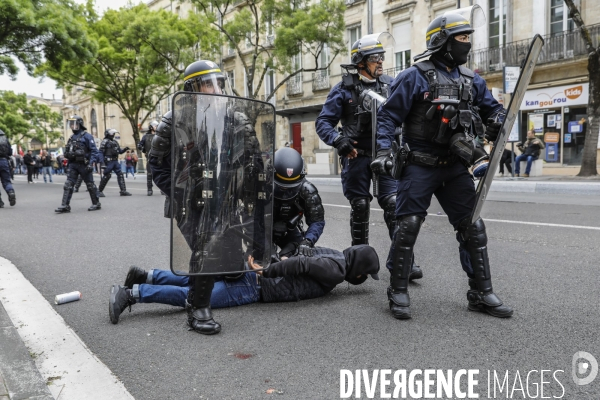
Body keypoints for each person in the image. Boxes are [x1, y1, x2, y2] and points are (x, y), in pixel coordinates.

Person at [373, 10, 512, 319]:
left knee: (472, 227)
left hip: (454, 165)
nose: (467, 44)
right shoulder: (413, 76)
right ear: (442, 41)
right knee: (407, 226)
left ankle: (481, 292)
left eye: (467, 38)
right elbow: (387, 118)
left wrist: (500, 120)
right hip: (419, 165)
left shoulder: (471, 79)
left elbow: (492, 110)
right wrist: (382, 153)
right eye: (461, 38)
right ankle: (397, 289)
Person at [315, 33, 422, 280]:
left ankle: (403, 263)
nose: (381, 63)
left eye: (382, 57)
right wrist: (338, 141)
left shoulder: (391, 84)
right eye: (375, 58)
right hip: (357, 156)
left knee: (394, 205)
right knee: (360, 206)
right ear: (360, 62)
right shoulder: (344, 88)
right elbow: (324, 123)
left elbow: (409, 117)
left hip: (386, 156)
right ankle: (359, 264)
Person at [147, 59, 243, 335]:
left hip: (221, 196)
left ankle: (144, 277)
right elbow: (157, 166)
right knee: (206, 248)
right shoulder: (172, 120)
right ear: (192, 88)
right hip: (188, 201)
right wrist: (182, 194)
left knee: (230, 266)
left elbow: (244, 156)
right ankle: (198, 308)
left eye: (218, 83)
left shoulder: (230, 115)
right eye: (207, 83)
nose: (216, 89)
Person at [108, 244, 380, 324]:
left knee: (198, 279)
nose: (362, 279)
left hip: (259, 275)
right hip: (258, 285)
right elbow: (301, 264)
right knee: (195, 297)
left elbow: (300, 251)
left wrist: (273, 260)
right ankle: (132, 294)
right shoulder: (336, 270)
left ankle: (146, 275)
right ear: (359, 271)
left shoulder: (334, 254)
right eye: (365, 275)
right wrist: (267, 270)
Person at [272, 147, 325, 256]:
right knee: (256, 263)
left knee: (302, 256)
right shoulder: (262, 187)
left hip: (289, 229)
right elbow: (251, 219)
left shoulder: (307, 190)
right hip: (263, 230)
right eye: (282, 186)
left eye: (289, 187)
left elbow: (317, 221)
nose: (285, 189)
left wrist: (307, 241)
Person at [55, 115, 101, 213]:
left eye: (74, 123)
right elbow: (66, 151)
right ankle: (65, 205)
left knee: (90, 185)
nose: (72, 126)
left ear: (79, 124)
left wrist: (91, 163)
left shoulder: (87, 136)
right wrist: (68, 154)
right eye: (71, 124)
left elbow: (94, 151)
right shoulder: (71, 138)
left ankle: (96, 203)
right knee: (68, 184)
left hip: (84, 164)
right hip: (73, 164)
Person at [97, 129, 131, 197]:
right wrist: (102, 162)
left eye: (113, 133)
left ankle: (123, 191)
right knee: (107, 176)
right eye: (111, 133)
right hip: (108, 161)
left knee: (120, 174)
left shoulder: (115, 142)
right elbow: (100, 152)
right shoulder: (104, 141)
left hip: (115, 161)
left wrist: (125, 149)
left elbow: (119, 151)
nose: (113, 135)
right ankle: (99, 191)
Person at [138, 121, 158, 196]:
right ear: (151, 127)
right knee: (149, 174)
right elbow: (141, 144)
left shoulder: (159, 136)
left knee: (161, 174)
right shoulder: (146, 136)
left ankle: (163, 189)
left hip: (159, 157)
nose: (157, 127)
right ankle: (149, 189)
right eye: (155, 126)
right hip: (150, 157)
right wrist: (140, 146)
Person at [0, 129, 16, 207]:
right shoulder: (5, 139)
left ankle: (0, 202)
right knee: (6, 181)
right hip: (3, 161)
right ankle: (10, 192)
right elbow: (10, 152)